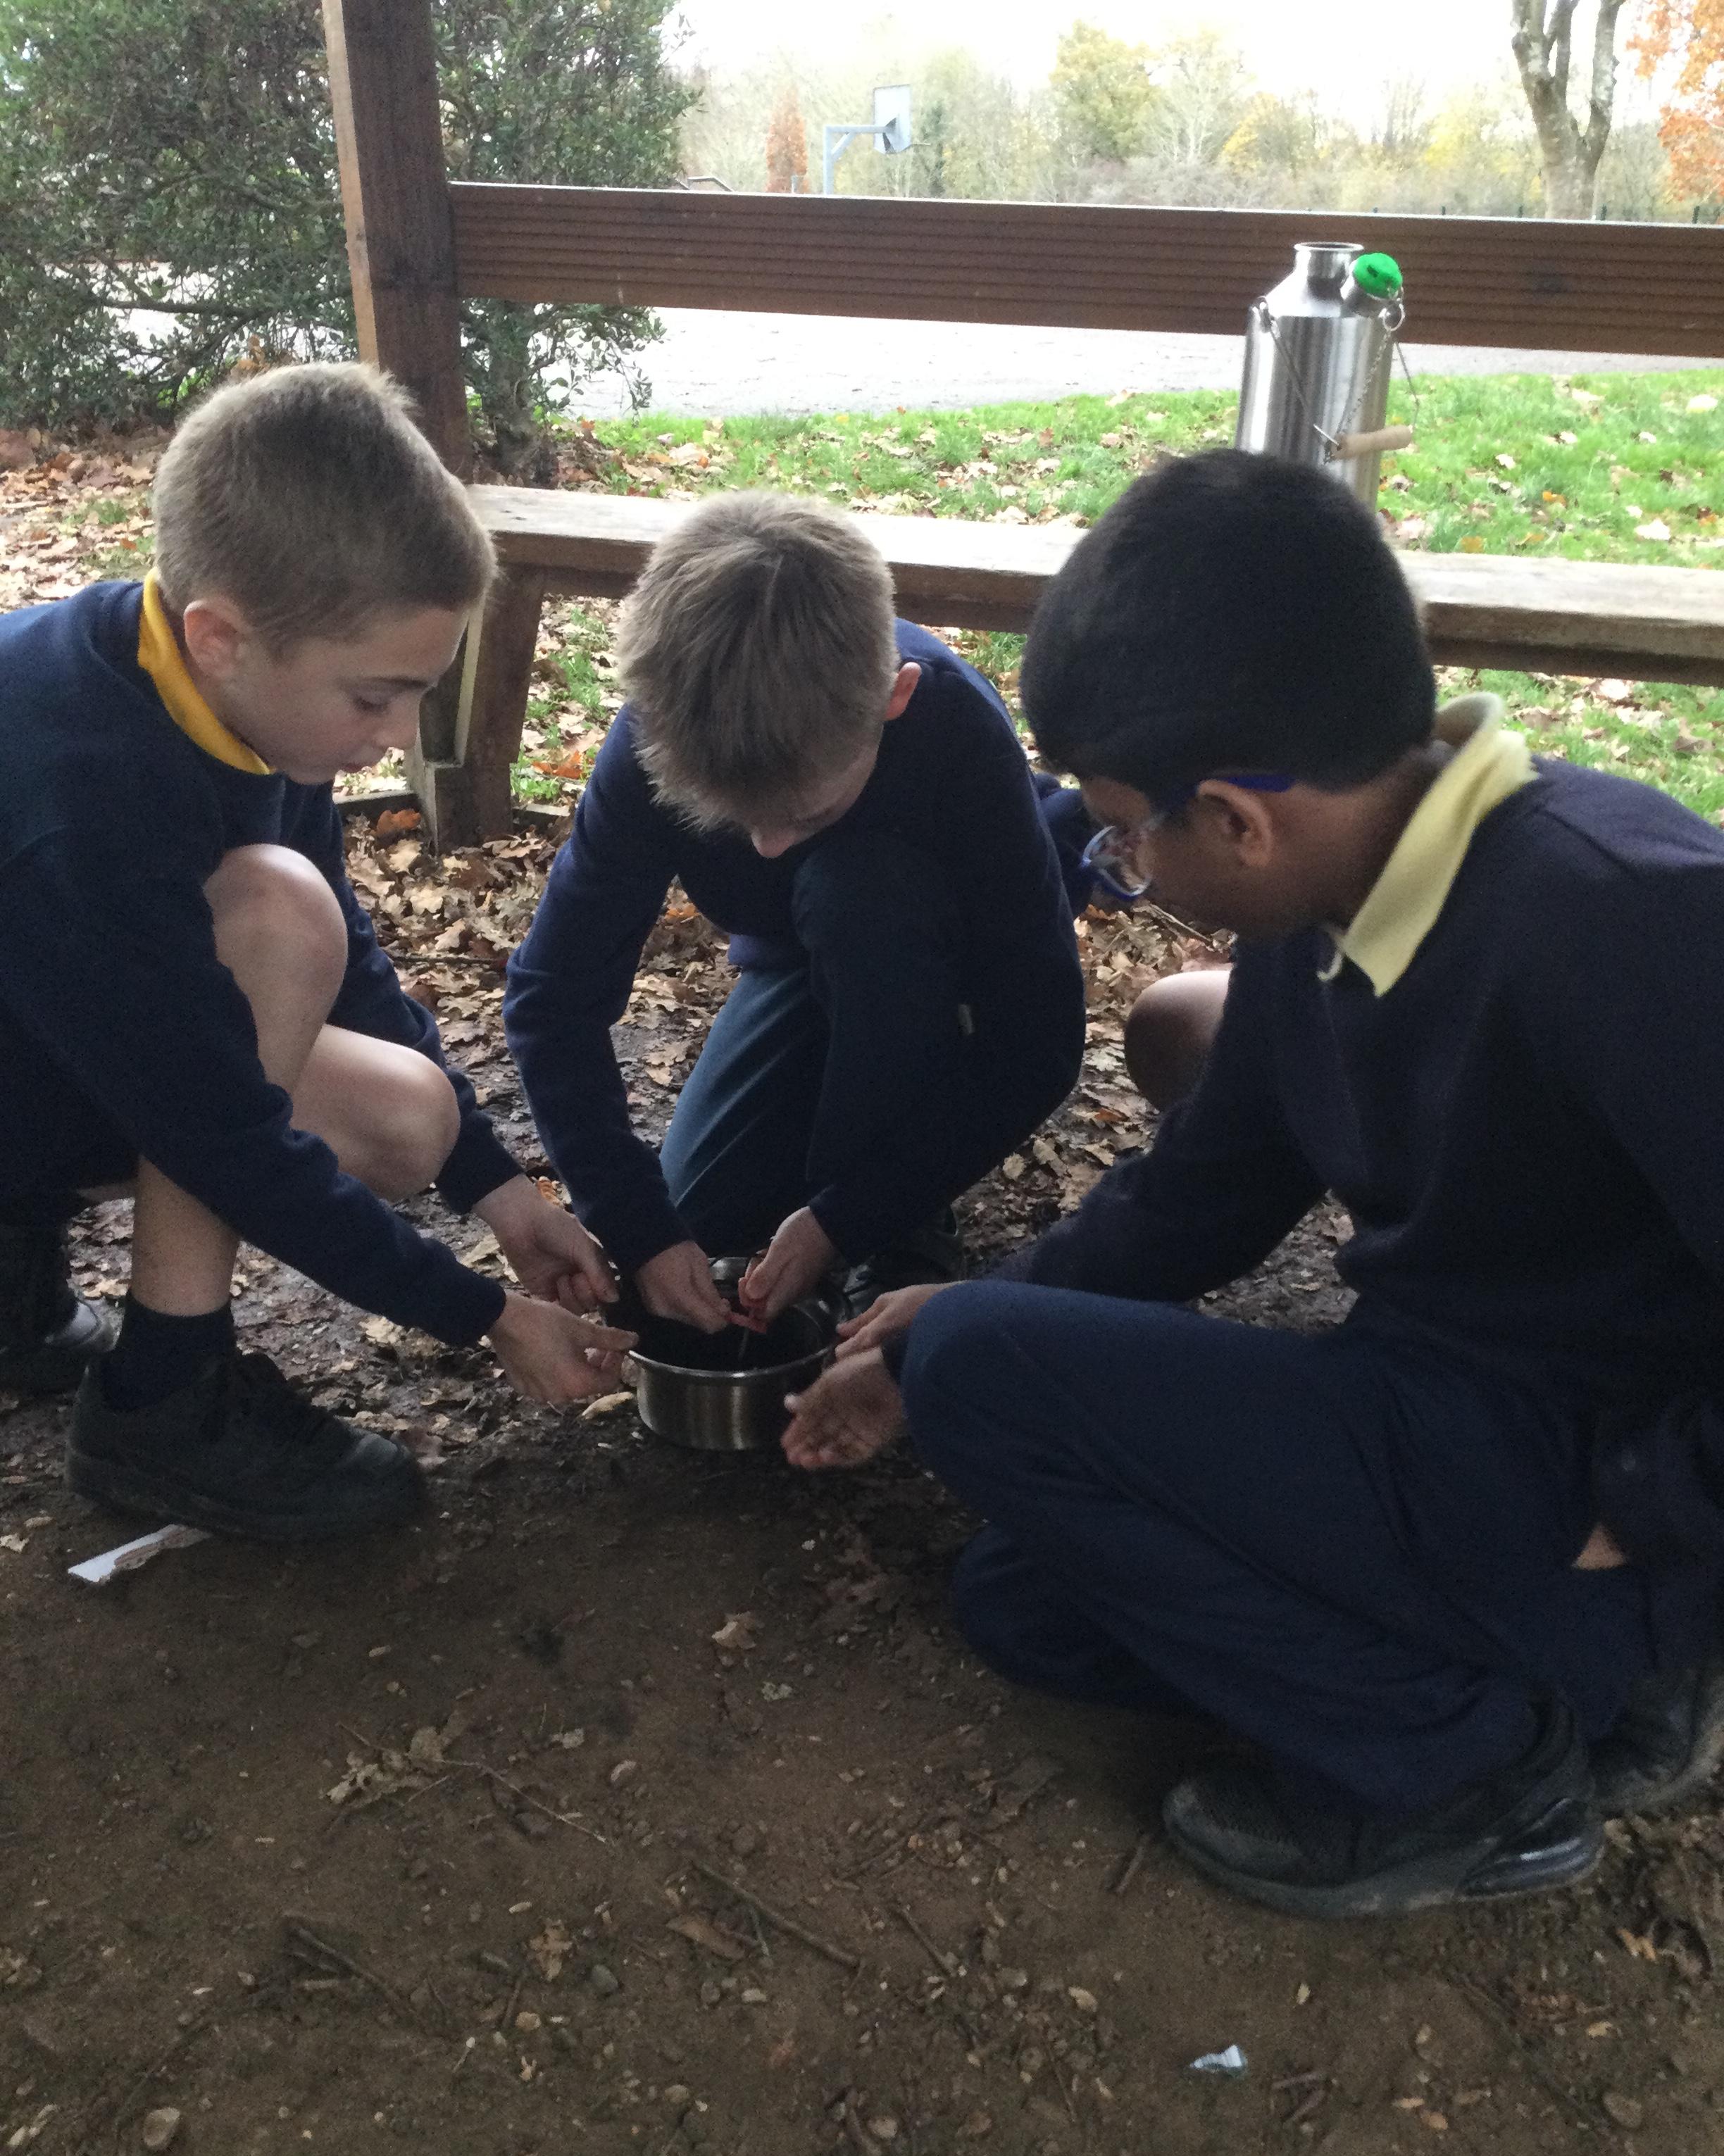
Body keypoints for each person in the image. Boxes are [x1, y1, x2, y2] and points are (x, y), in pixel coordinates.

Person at [780, 448, 1724, 1920]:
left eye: (1122, 832)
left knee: (982, 1374)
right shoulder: (1330, 901)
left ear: (1234, 817)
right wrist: (945, 1324)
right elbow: (1199, 1196)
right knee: (1025, 1599)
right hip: (1443, 1413)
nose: (1125, 865)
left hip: (1583, 1481)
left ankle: (1478, 1769)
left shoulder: (1628, 919)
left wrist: (1652, 1508)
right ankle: (1558, 1686)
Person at [0, 363, 631, 1546]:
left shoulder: (224, 697)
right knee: (268, 932)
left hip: (47, 1031)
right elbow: (221, 1129)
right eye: (375, 698)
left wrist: (501, 1195)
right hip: (42, 1042)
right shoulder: (80, 790)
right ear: (223, 637)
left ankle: (14, 1281)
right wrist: (482, 1314)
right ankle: (161, 1399)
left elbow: (348, 971)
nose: (398, 735)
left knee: (406, 1111)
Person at [504, 491, 1087, 1336]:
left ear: (894, 698)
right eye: (731, 820)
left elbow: (1037, 1037)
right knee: (702, 1221)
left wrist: (849, 1218)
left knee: (861, 890)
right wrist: (640, 1229)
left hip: (940, 957)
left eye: (804, 815)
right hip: (797, 960)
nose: (768, 848)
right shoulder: (660, 736)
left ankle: (905, 1233)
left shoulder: (956, 735)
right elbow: (554, 999)